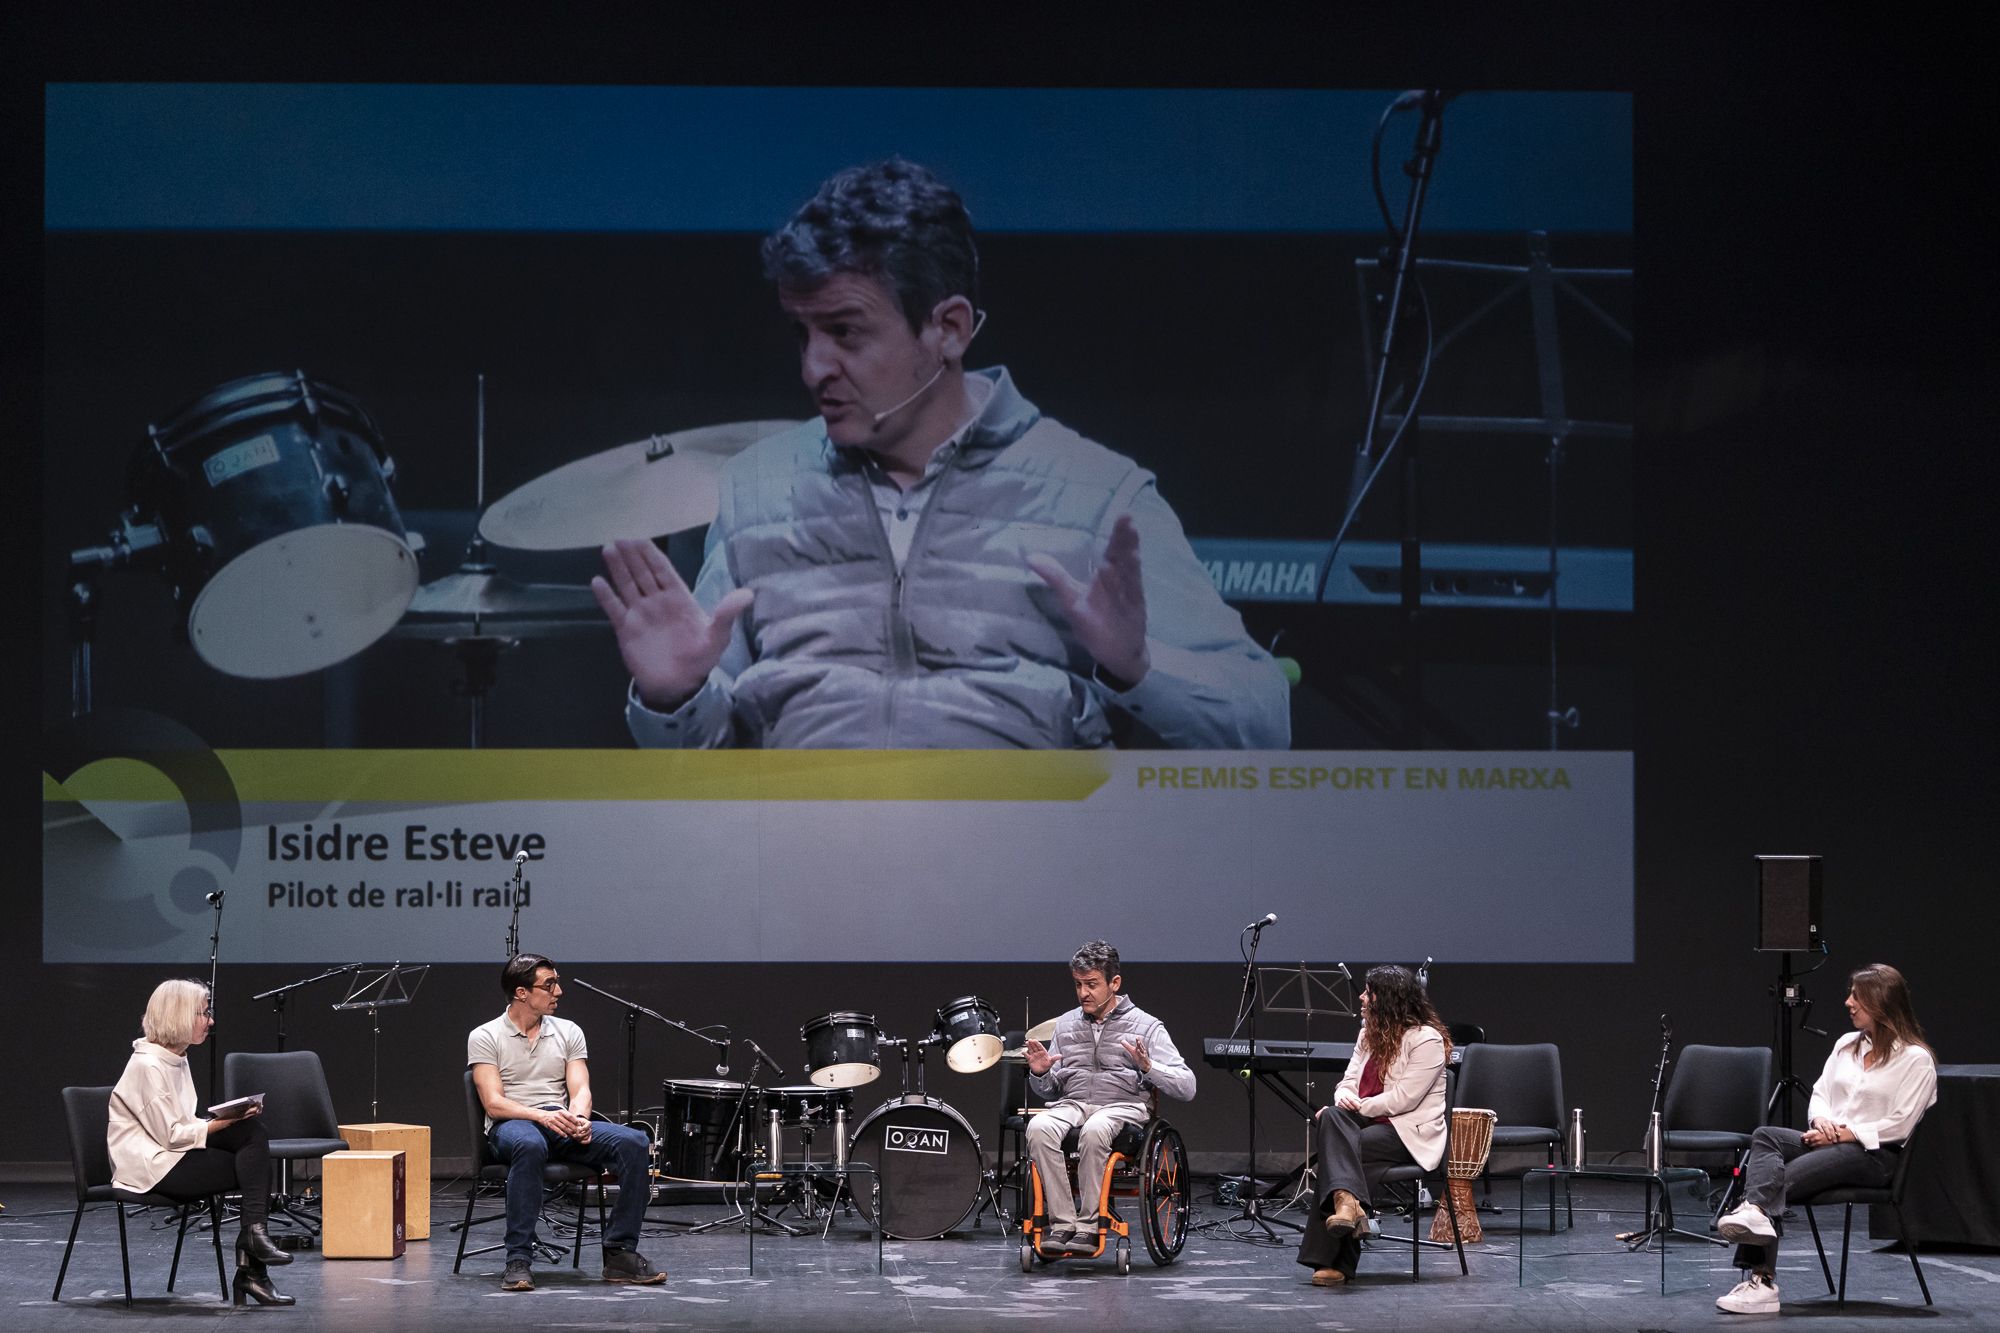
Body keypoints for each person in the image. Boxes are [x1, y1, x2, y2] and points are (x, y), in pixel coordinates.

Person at [595, 156, 1290, 750]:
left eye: (845, 331)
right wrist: (674, 697)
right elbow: (702, 753)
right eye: (802, 333)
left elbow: (1263, 723)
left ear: (949, 329)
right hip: (800, 861)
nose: (814, 368)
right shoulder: (756, 491)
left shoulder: (1096, 494)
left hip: (1026, 871)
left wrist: (1138, 671)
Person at [1714, 963, 1937, 1315]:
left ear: (1882, 1004)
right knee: (1766, 1136)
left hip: (1875, 1156)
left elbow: (1901, 1124)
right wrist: (1822, 1121)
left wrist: (1845, 1135)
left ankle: (1762, 1279)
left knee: (1773, 1184)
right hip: (1832, 1141)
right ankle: (1755, 1213)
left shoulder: (1915, 1059)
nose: (1848, 1003)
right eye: (1850, 995)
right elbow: (1820, 1093)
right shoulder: (1847, 1045)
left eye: (1857, 997)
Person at [467, 954, 665, 1291]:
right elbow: (494, 1103)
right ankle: (518, 1258)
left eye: (557, 982)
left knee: (633, 1142)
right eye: (549, 985)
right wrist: (542, 1115)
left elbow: (581, 1087)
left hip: (559, 1121)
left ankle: (619, 1253)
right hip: (514, 1124)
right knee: (530, 1144)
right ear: (521, 993)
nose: (558, 991)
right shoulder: (485, 1035)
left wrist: (580, 1119)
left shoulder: (568, 1031)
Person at [108, 978, 295, 1307]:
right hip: (153, 1166)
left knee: (251, 1134)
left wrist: (232, 1118)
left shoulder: (176, 1059)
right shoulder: (148, 1065)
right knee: (251, 1164)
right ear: (178, 1016)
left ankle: (254, 1240)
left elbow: (182, 1124)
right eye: (204, 1013)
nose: (210, 1020)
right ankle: (252, 1267)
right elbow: (171, 1136)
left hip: (172, 1153)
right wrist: (222, 1122)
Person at [1023, 940, 1195, 1252]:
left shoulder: (1147, 1026)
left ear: (1114, 983)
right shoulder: (1065, 1025)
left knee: (1096, 1128)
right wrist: (1040, 1074)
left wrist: (1148, 1066)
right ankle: (1062, 1224)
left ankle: (1090, 1226)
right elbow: (1051, 1089)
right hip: (1073, 1104)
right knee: (1038, 1127)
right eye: (1078, 985)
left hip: (1123, 1107)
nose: (1083, 993)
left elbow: (1187, 1086)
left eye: (1091, 984)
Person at [1295, 964, 1449, 1287]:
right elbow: (1348, 1081)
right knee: (1334, 1120)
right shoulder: (1368, 1034)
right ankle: (1348, 1205)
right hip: (1367, 1123)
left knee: (1338, 1148)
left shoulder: (1427, 1040)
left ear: (1389, 999)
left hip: (1408, 1132)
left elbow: (1403, 1099)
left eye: (1370, 992)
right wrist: (1343, 1098)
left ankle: (1334, 1258)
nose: (1362, 998)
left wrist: (1358, 1104)